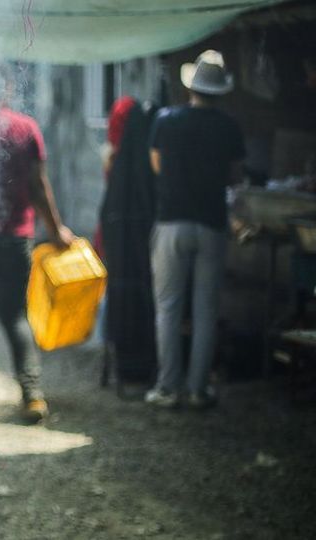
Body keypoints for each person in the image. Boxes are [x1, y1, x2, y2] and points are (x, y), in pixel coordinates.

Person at [0, 81, 74, 422]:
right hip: (14, 240)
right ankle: (32, 395)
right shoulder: (26, 127)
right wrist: (56, 229)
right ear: (5, 90)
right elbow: (38, 186)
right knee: (15, 317)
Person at [145, 50, 245, 409]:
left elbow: (157, 165)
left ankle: (168, 388)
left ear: (191, 87)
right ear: (219, 91)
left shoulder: (166, 120)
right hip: (212, 225)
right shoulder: (229, 127)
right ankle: (198, 389)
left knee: (168, 308)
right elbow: (235, 177)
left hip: (172, 223)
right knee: (206, 310)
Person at [99, 96, 159, 388]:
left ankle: (124, 366)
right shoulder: (148, 162)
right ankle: (145, 365)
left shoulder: (116, 161)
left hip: (120, 247)